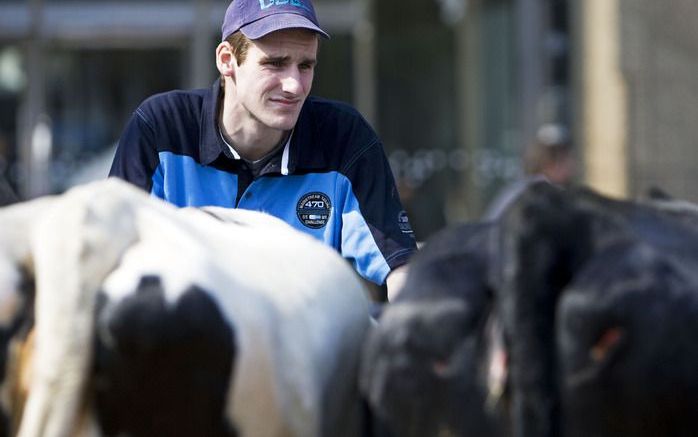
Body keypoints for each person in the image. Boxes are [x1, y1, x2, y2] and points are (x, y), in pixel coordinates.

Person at [109, 0, 416, 300]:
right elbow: (109, 262)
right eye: (275, 63)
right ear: (227, 60)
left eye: (305, 65)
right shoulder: (160, 128)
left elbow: (400, 270)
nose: (294, 86)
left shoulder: (344, 137)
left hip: (303, 349)